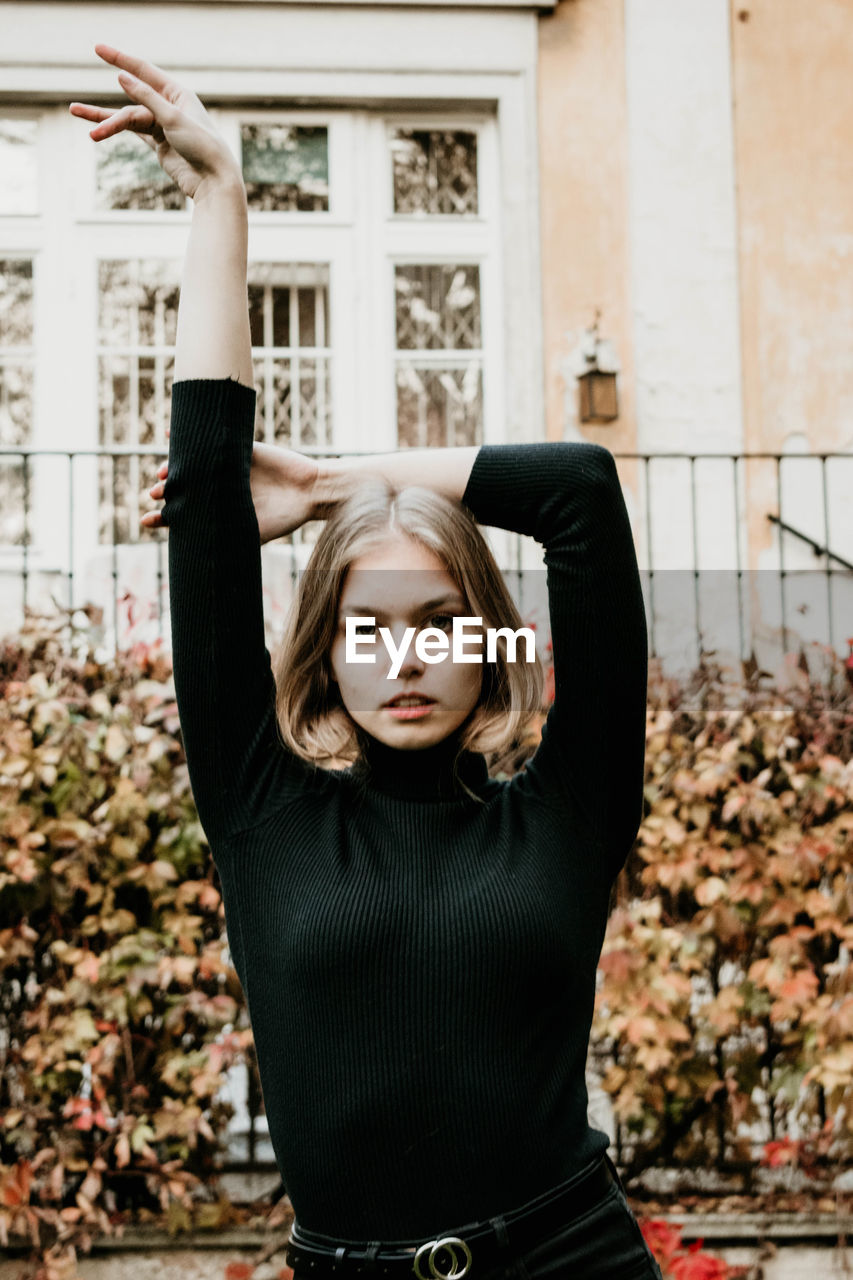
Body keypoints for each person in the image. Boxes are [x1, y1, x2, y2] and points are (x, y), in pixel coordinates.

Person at [70, 45, 660, 1280]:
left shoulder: (566, 810)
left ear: (493, 647)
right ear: (322, 654)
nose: (406, 656)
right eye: (369, 625)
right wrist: (219, 193)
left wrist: (342, 484)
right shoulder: (263, 808)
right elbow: (209, 483)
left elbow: (580, 492)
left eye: (441, 620)